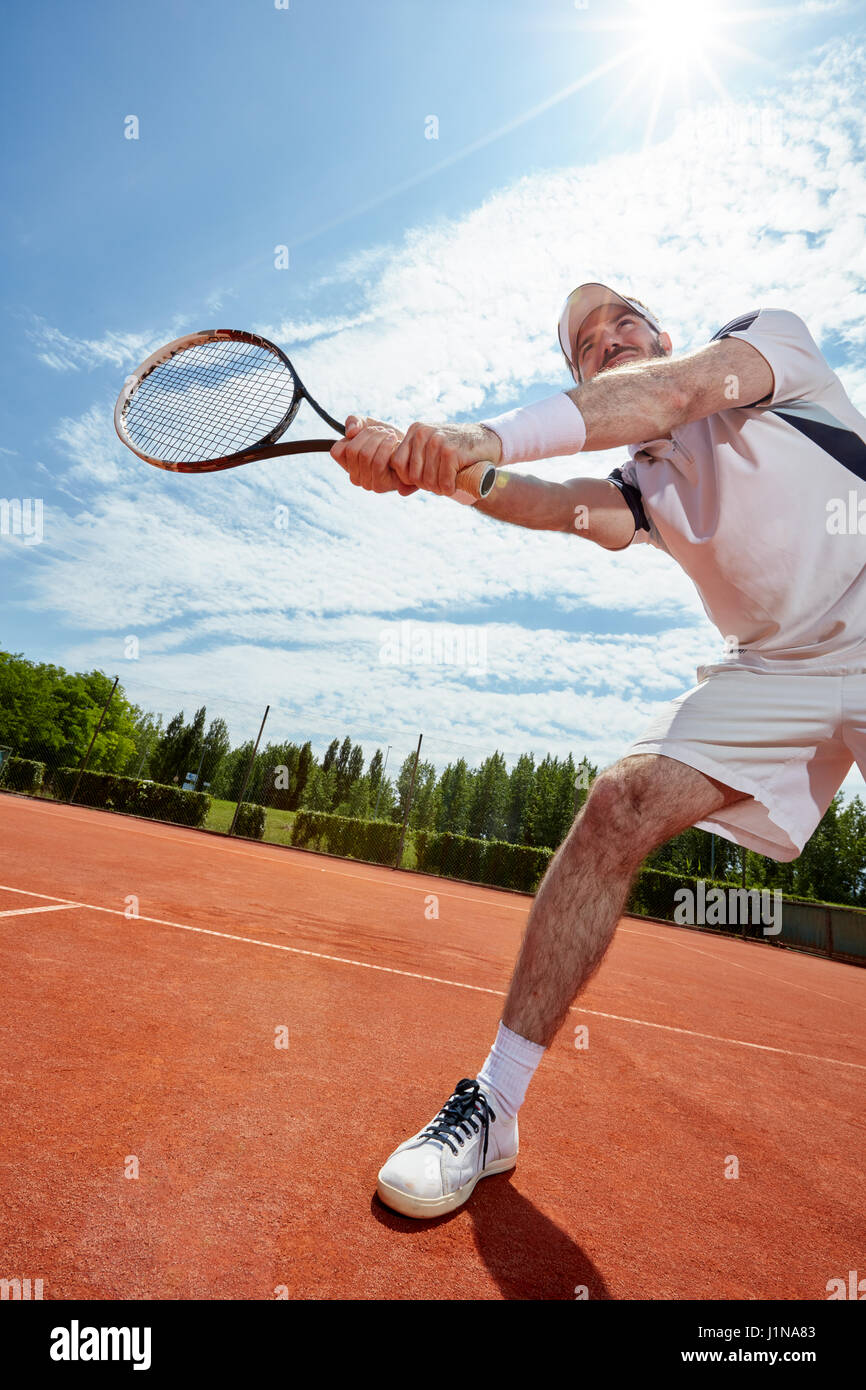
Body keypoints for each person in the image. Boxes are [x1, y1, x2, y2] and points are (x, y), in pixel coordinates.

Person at [330, 281, 866, 1219]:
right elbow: (548, 501)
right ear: (576, 375)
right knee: (617, 803)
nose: (608, 338)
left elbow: (667, 395)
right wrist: (435, 467)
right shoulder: (642, 490)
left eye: (623, 319)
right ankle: (493, 1108)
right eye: (585, 342)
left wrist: (477, 436)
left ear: (660, 332)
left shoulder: (765, 347)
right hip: (775, 670)